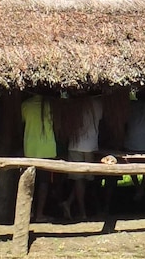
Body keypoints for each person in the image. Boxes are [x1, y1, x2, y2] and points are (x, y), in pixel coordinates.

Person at [61, 94, 103, 220]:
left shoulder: (73, 105)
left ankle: (70, 204)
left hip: (74, 145)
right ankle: (81, 211)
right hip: (90, 145)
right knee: (83, 179)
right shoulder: (98, 104)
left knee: (80, 179)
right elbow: (100, 120)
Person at [21, 94, 57, 222]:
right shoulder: (51, 105)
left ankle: (28, 212)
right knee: (43, 183)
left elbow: (23, 121)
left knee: (29, 182)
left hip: (30, 148)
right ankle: (39, 214)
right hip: (47, 149)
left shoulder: (25, 105)